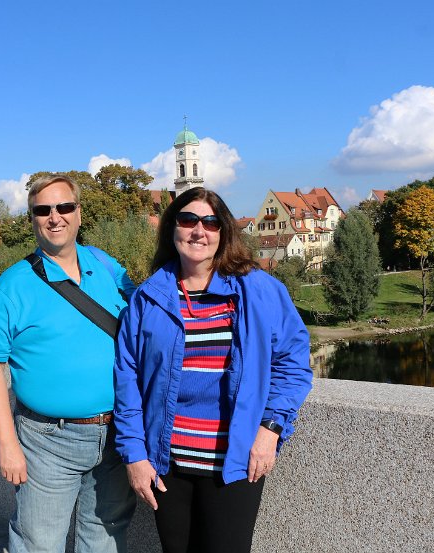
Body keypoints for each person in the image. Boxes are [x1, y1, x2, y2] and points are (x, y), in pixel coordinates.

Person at [114, 187, 313, 553]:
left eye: (210, 222)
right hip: (167, 463)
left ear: (223, 231)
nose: (198, 231)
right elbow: (127, 379)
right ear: (172, 228)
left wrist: (270, 431)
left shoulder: (258, 289)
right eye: (188, 220)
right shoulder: (149, 297)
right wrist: (135, 455)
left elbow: (293, 364)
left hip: (234, 462)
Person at [0, 174, 137, 553]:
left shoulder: (106, 264)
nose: (55, 217)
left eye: (64, 207)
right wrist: (7, 444)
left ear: (79, 213)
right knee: (39, 543)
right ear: (32, 218)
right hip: (47, 440)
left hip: (118, 436)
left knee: (105, 537)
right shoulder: (11, 286)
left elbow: (146, 316)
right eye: (43, 210)